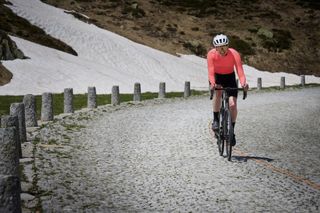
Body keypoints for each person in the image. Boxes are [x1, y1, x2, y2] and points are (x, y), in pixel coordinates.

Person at [207, 34, 249, 146]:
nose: (222, 49)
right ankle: (216, 119)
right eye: (219, 47)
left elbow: (240, 71)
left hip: (230, 77)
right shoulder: (211, 54)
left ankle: (232, 131)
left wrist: (244, 83)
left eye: (224, 46)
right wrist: (212, 83)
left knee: (232, 104)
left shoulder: (234, 53)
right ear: (215, 48)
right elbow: (211, 72)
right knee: (218, 91)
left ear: (228, 46)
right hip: (217, 77)